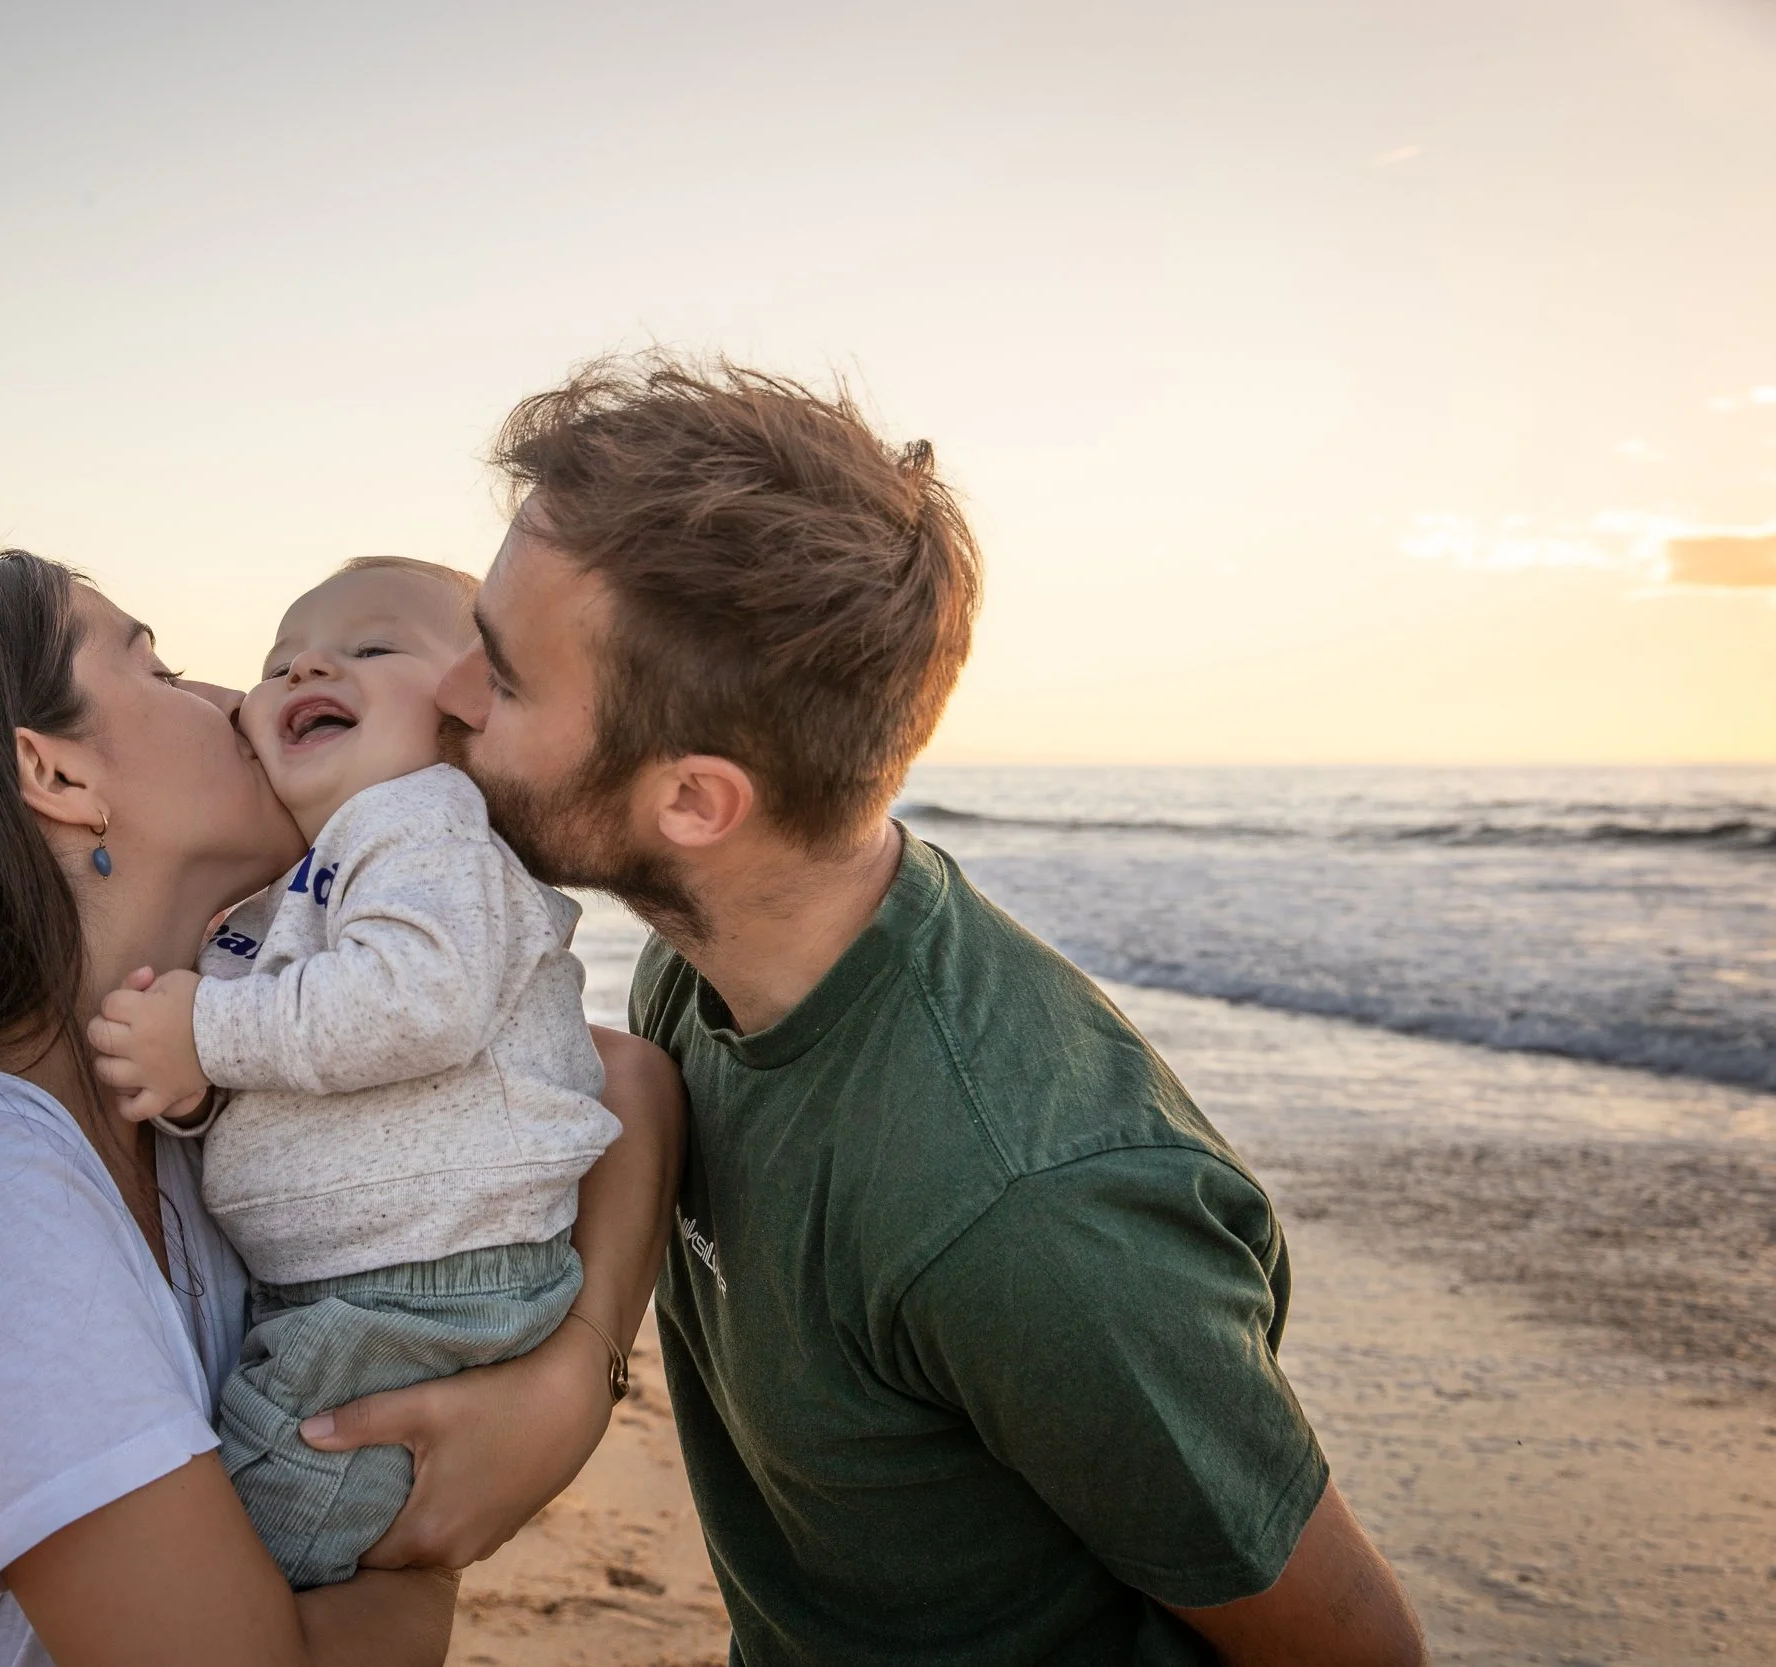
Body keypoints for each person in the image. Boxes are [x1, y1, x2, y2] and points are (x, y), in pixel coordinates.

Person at [433, 354, 1428, 1667]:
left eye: (503, 679)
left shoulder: (1026, 1211)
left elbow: (1358, 1647)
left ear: (695, 802)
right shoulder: (701, 957)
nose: (446, 692)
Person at [0, 551, 682, 1667]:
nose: (238, 698)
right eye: (161, 667)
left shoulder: (172, 1076)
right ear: (56, 774)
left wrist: (572, 1377)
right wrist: (410, 1542)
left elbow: (621, 1074)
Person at [90, 555, 622, 1589]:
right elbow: (293, 1054)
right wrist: (201, 1092)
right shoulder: (307, 870)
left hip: (431, 1272)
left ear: (470, 701)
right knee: (270, 1504)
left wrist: (206, 1035)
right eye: (278, 661)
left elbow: (417, 998)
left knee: (264, 1528)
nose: (307, 667)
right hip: (363, 1275)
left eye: (371, 647)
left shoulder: (421, 820)